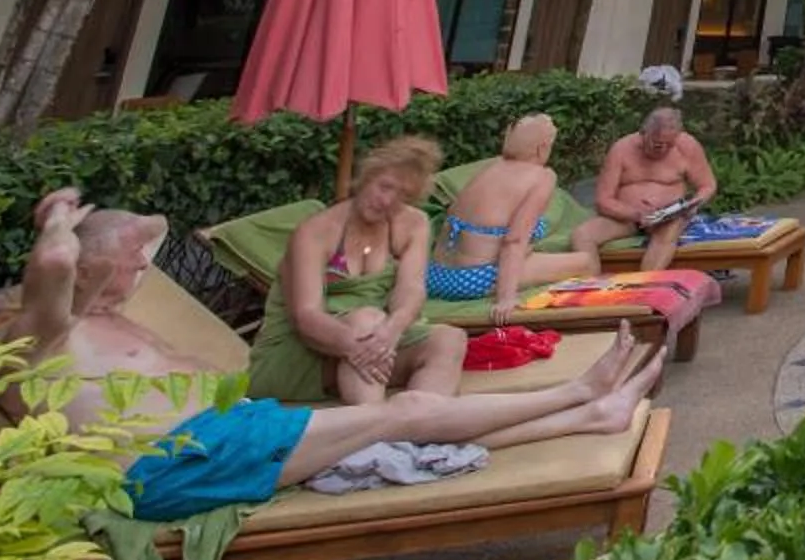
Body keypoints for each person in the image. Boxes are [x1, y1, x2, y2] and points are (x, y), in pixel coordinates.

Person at [10, 188, 660, 524]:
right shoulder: (39, 336)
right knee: (403, 414)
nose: (140, 276)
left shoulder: (110, 320)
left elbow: (97, 265)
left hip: (225, 442)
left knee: (400, 416)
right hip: (175, 465)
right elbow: (60, 261)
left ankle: (588, 417)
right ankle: (578, 395)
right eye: (130, 266)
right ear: (92, 263)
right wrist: (59, 216)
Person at [248, 137, 463, 406]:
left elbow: (411, 289)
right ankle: (373, 431)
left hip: (370, 347)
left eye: (403, 196)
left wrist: (393, 330)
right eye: (384, 186)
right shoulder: (316, 232)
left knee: (449, 340)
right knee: (367, 321)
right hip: (299, 355)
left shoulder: (413, 224)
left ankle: (422, 424)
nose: (387, 201)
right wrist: (360, 347)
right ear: (366, 176)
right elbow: (306, 317)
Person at [430, 115, 599, 324]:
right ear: (542, 148)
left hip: (436, 276)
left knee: (532, 253)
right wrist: (506, 298)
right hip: (472, 279)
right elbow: (514, 241)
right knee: (586, 262)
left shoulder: (491, 168)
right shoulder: (542, 176)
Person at [584, 104, 717, 272]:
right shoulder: (621, 149)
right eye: (658, 144)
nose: (665, 150)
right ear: (643, 134)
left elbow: (707, 185)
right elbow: (603, 200)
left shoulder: (687, 145)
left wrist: (693, 204)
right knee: (583, 235)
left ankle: (644, 285)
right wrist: (636, 214)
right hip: (627, 218)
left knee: (669, 230)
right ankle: (590, 286)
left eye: (670, 144)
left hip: (668, 218)